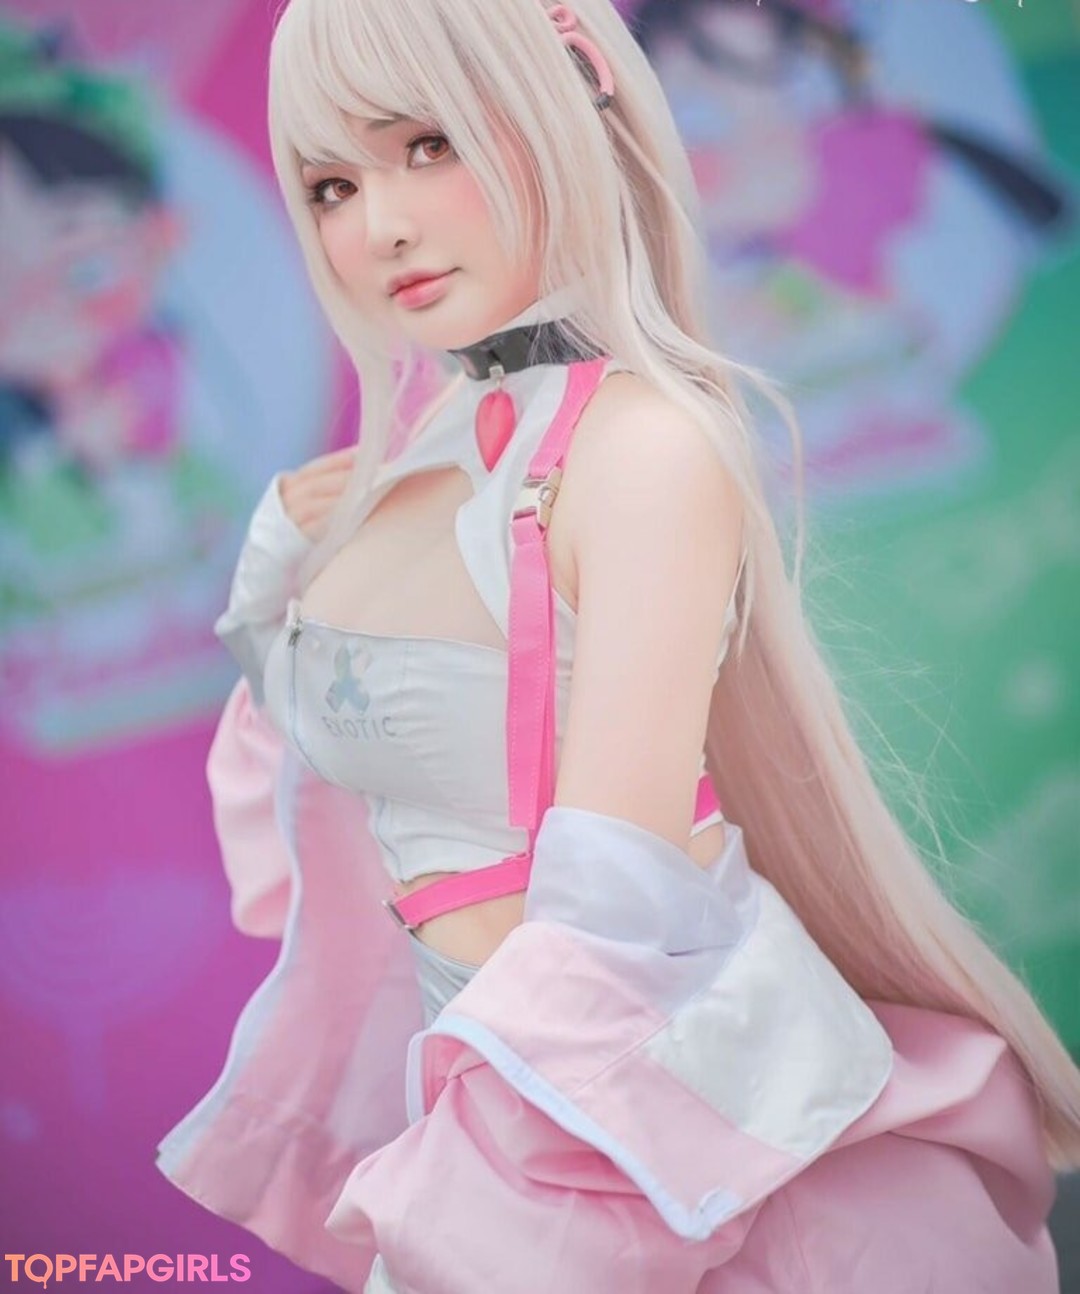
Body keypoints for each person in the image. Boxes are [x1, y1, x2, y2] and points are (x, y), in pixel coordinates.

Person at [155, 2, 1080, 1291]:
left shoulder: (642, 446)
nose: (382, 226)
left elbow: (619, 893)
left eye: (429, 144)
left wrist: (492, 1189)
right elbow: (325, 774)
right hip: (500, 1099)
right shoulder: (415, 460)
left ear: (562, 114)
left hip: (653, 1134)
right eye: (332, 185)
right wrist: (267, 590)